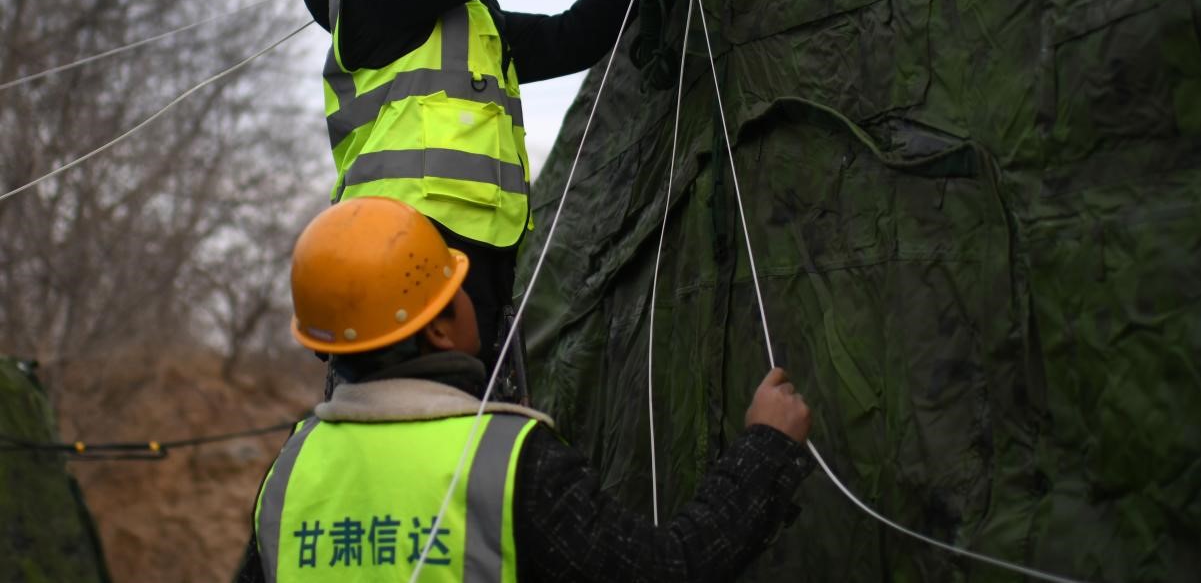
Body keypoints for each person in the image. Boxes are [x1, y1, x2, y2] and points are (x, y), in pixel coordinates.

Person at [233, 196, 814, 582]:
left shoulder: (292, 467)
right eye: (458, 290)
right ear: (439, 326)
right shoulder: (508, 459)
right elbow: (671, 568)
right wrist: (767, 446)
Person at [305, 0, 687, 386]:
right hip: (398, 258)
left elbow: (571, 38)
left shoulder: (462, 19)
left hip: (475, 264)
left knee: (474, 442)